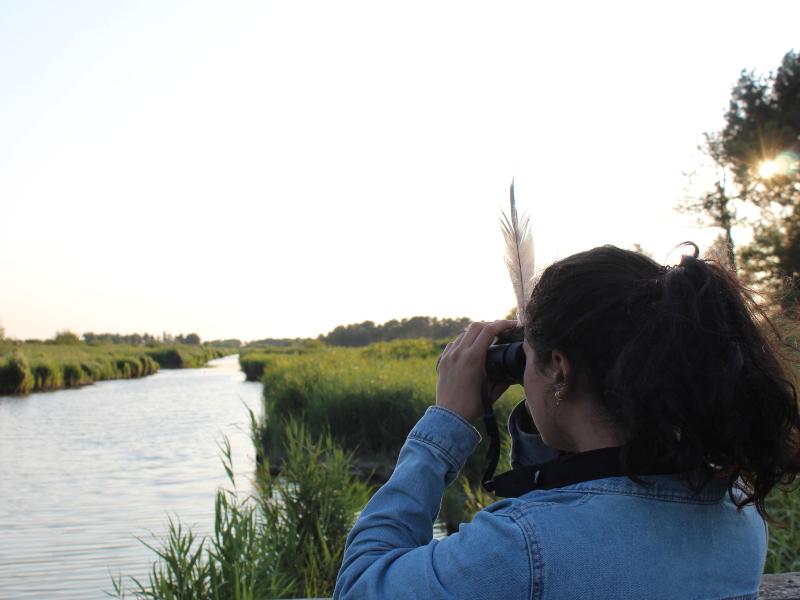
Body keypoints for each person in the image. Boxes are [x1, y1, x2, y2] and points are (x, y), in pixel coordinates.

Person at [333, 244, 800, 600]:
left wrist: (446, 422)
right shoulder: (736, 510)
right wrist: (547, 414)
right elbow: (590, 495)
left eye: (528, 357)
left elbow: (359, 586)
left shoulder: (521, 545)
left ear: (560, 368)